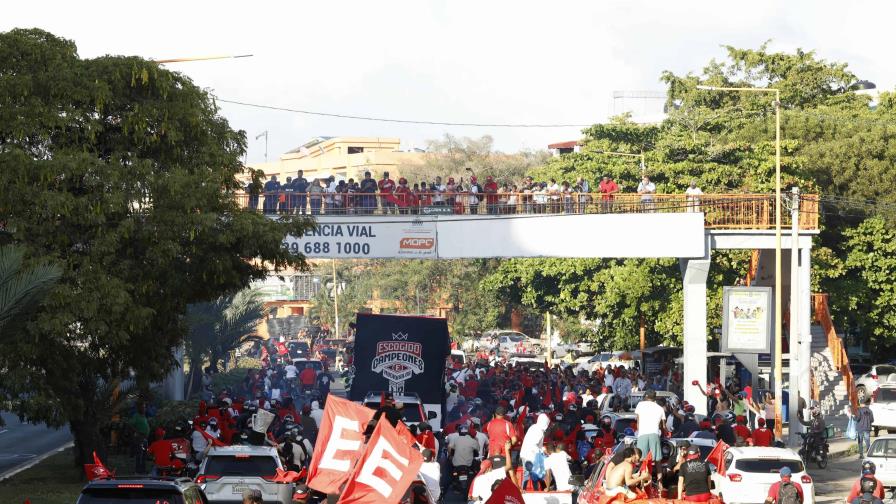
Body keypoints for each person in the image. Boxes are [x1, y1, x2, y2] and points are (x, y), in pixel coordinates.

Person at [634, 389, 665, 460]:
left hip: (642, 434)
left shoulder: (640, 404)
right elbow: (663, 426)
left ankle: (643, 471)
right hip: (655, 434)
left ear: (646, 396)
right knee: (657, 460)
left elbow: (638, 421)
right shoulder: (660, 408)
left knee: (641, 459)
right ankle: (659, 471)